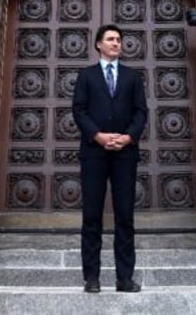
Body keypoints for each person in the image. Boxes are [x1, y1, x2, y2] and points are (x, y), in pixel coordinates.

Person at [72, 23, 148, 293]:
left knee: (125, 216)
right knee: (92, 215)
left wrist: (128, 137)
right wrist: (98, 136)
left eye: (119, 39)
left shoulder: (132, 77)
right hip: (94, 153)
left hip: (125, 154)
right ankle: (91, 278)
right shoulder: (87, 76)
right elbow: (79, 110)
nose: (117, 43)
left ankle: (124, 278)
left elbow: (141, 112)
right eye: (111, 39)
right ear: (98, 45)